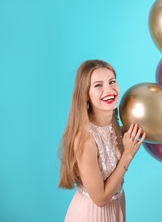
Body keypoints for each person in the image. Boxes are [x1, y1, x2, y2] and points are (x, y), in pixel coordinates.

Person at [58, 59, 146, 222]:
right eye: (98, 85)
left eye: (112, 82)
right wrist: (127, 155)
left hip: (116, 207)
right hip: (92, 214)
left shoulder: (114, 126)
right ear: (85, 94)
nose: (109, 89)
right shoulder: (85, 139)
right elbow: (100, 199)